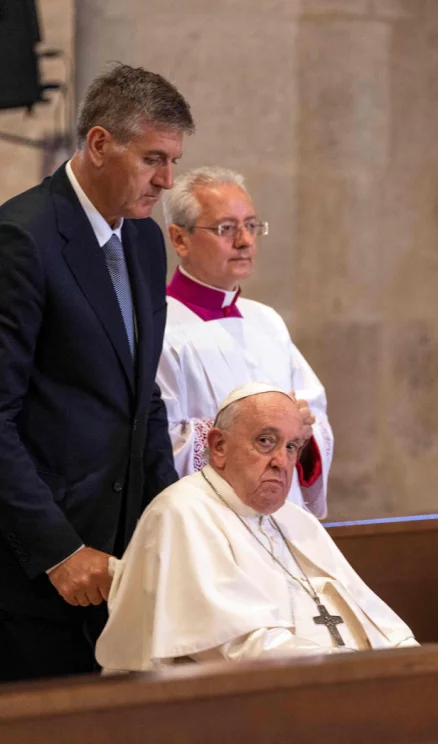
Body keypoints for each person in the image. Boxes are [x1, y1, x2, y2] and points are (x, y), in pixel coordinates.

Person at [0, 64, 193, 681]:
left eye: (173, 161)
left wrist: (175, 520)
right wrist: (57, 550)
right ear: (100, 143)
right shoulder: (22, 237)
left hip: (124, 559)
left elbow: (145, 400)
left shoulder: (142, 239)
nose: (167, 180)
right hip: (36, 570)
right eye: (153, 159)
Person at [97, 383, 415, 665]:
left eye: (291, 447)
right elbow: (238, 647)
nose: (281, 461)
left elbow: (375, 618)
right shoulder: (182, 513)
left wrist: (409, 660)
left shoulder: (294, 519)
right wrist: (348, 670)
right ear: (218, 447)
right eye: (266, 441)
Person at [157, 167, 332, 518]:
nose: (244, 241)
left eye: (251, 226)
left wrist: (301, 430)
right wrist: (251, 434)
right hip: (207, 524)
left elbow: (315, 419)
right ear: (180, 239)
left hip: (281, 519)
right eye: (226, 228)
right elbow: (157, 441)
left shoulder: (266, 321)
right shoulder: (158, 326)